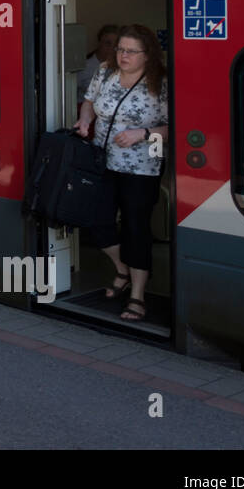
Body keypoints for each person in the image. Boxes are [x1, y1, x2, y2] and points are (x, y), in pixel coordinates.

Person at [72, 24, 169, 322]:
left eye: (131, 51)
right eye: (120, 49)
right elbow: (90, 102)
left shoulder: (162, 82)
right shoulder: (105, 71)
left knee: (135, 227)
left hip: (143, 166)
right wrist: (85, 121)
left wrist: (143, 133)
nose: (123, 55)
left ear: (147, 54)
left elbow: (176, 127)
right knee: (96, 219)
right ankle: (123, 269)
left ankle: (137, 294)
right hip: (103, 160)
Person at [77, 25, 119, 105]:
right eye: (108, 43)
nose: (112, 48)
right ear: (99, 43)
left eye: (115, 45)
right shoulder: (85, 67)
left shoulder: (120, 67)